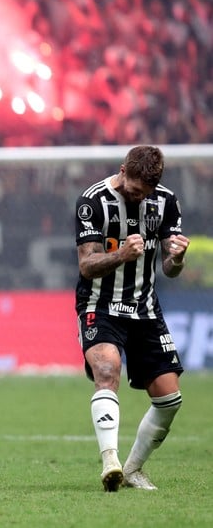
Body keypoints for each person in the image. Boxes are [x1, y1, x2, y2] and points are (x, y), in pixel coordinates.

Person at [74, 144, 190, 492]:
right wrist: (122, 254)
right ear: (123, 170)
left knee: (170, 399)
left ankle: (133, 469)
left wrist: (178, 259)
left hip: (145, 308)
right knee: (107, 372)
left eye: (145, 194)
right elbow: (86, 265)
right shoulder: (92, 201)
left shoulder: (166, 202)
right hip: (100, 304)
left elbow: (169, 270)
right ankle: (110, 461)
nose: (138, 198)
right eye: (134, 190)